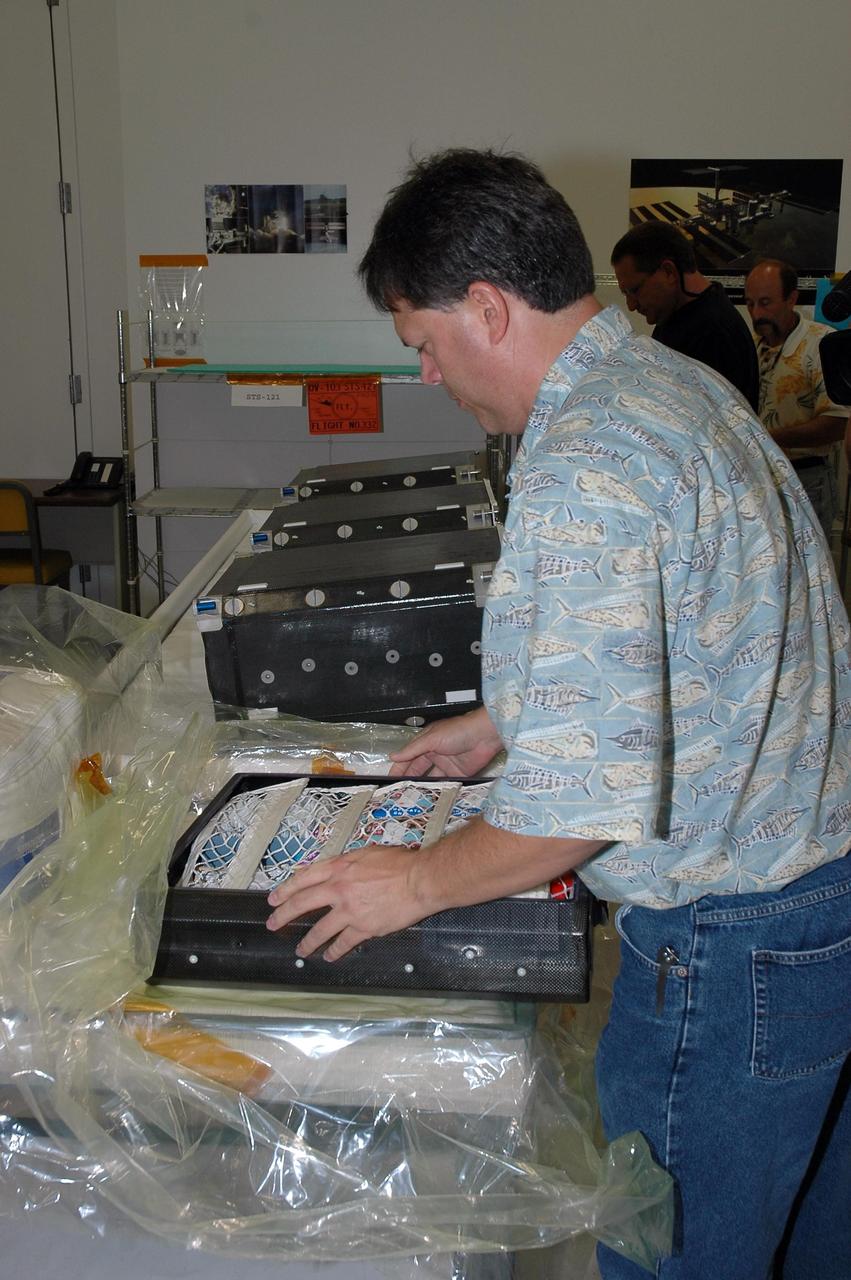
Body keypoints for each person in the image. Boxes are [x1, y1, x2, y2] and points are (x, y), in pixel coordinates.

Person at [266, 149, 851, 1279]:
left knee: (675, 1253)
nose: (429, 372)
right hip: (812, 898)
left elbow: (570, 816)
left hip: (724, 948)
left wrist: (415, 881)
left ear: (485, 306)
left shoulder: (585, 461)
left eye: (424, 343)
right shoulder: (665, 385)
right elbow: (697, 625)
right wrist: (509, 716)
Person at [745, 258, 849, 535]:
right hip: (759, 480)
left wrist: (767, 440)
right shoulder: (751, 347)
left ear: (792, 298)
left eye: (765, 303)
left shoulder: (821, 345)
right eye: (750, 303)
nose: (756, 314)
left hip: (806, 479)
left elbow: (837, 423)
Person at [611, 221, 759, 411]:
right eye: (626, 295)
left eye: (635, 290)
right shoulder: (676, 317)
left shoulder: (714, 333)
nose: (631, 305)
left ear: (669, 272)